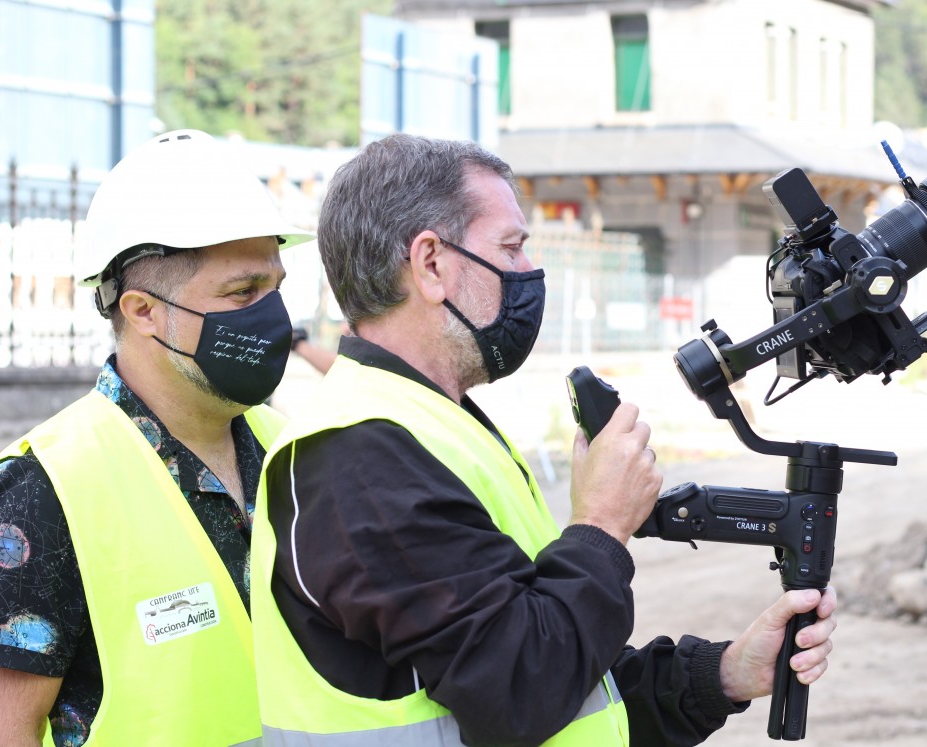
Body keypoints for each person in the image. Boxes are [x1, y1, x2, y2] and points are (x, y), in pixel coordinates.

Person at [249, 134, 838, 746]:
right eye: (511, 247)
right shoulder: (360, 459)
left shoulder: (434, 426)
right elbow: (520, 691)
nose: (529, 272)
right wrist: (601, 527)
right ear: (430, 264)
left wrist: (722, 675)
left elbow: (563, 680)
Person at [0, 129, 313, 746]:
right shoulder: (41, 493)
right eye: (242, 292)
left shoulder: (295, 452)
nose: (271, 316)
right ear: (143, 311)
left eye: (274, 287)